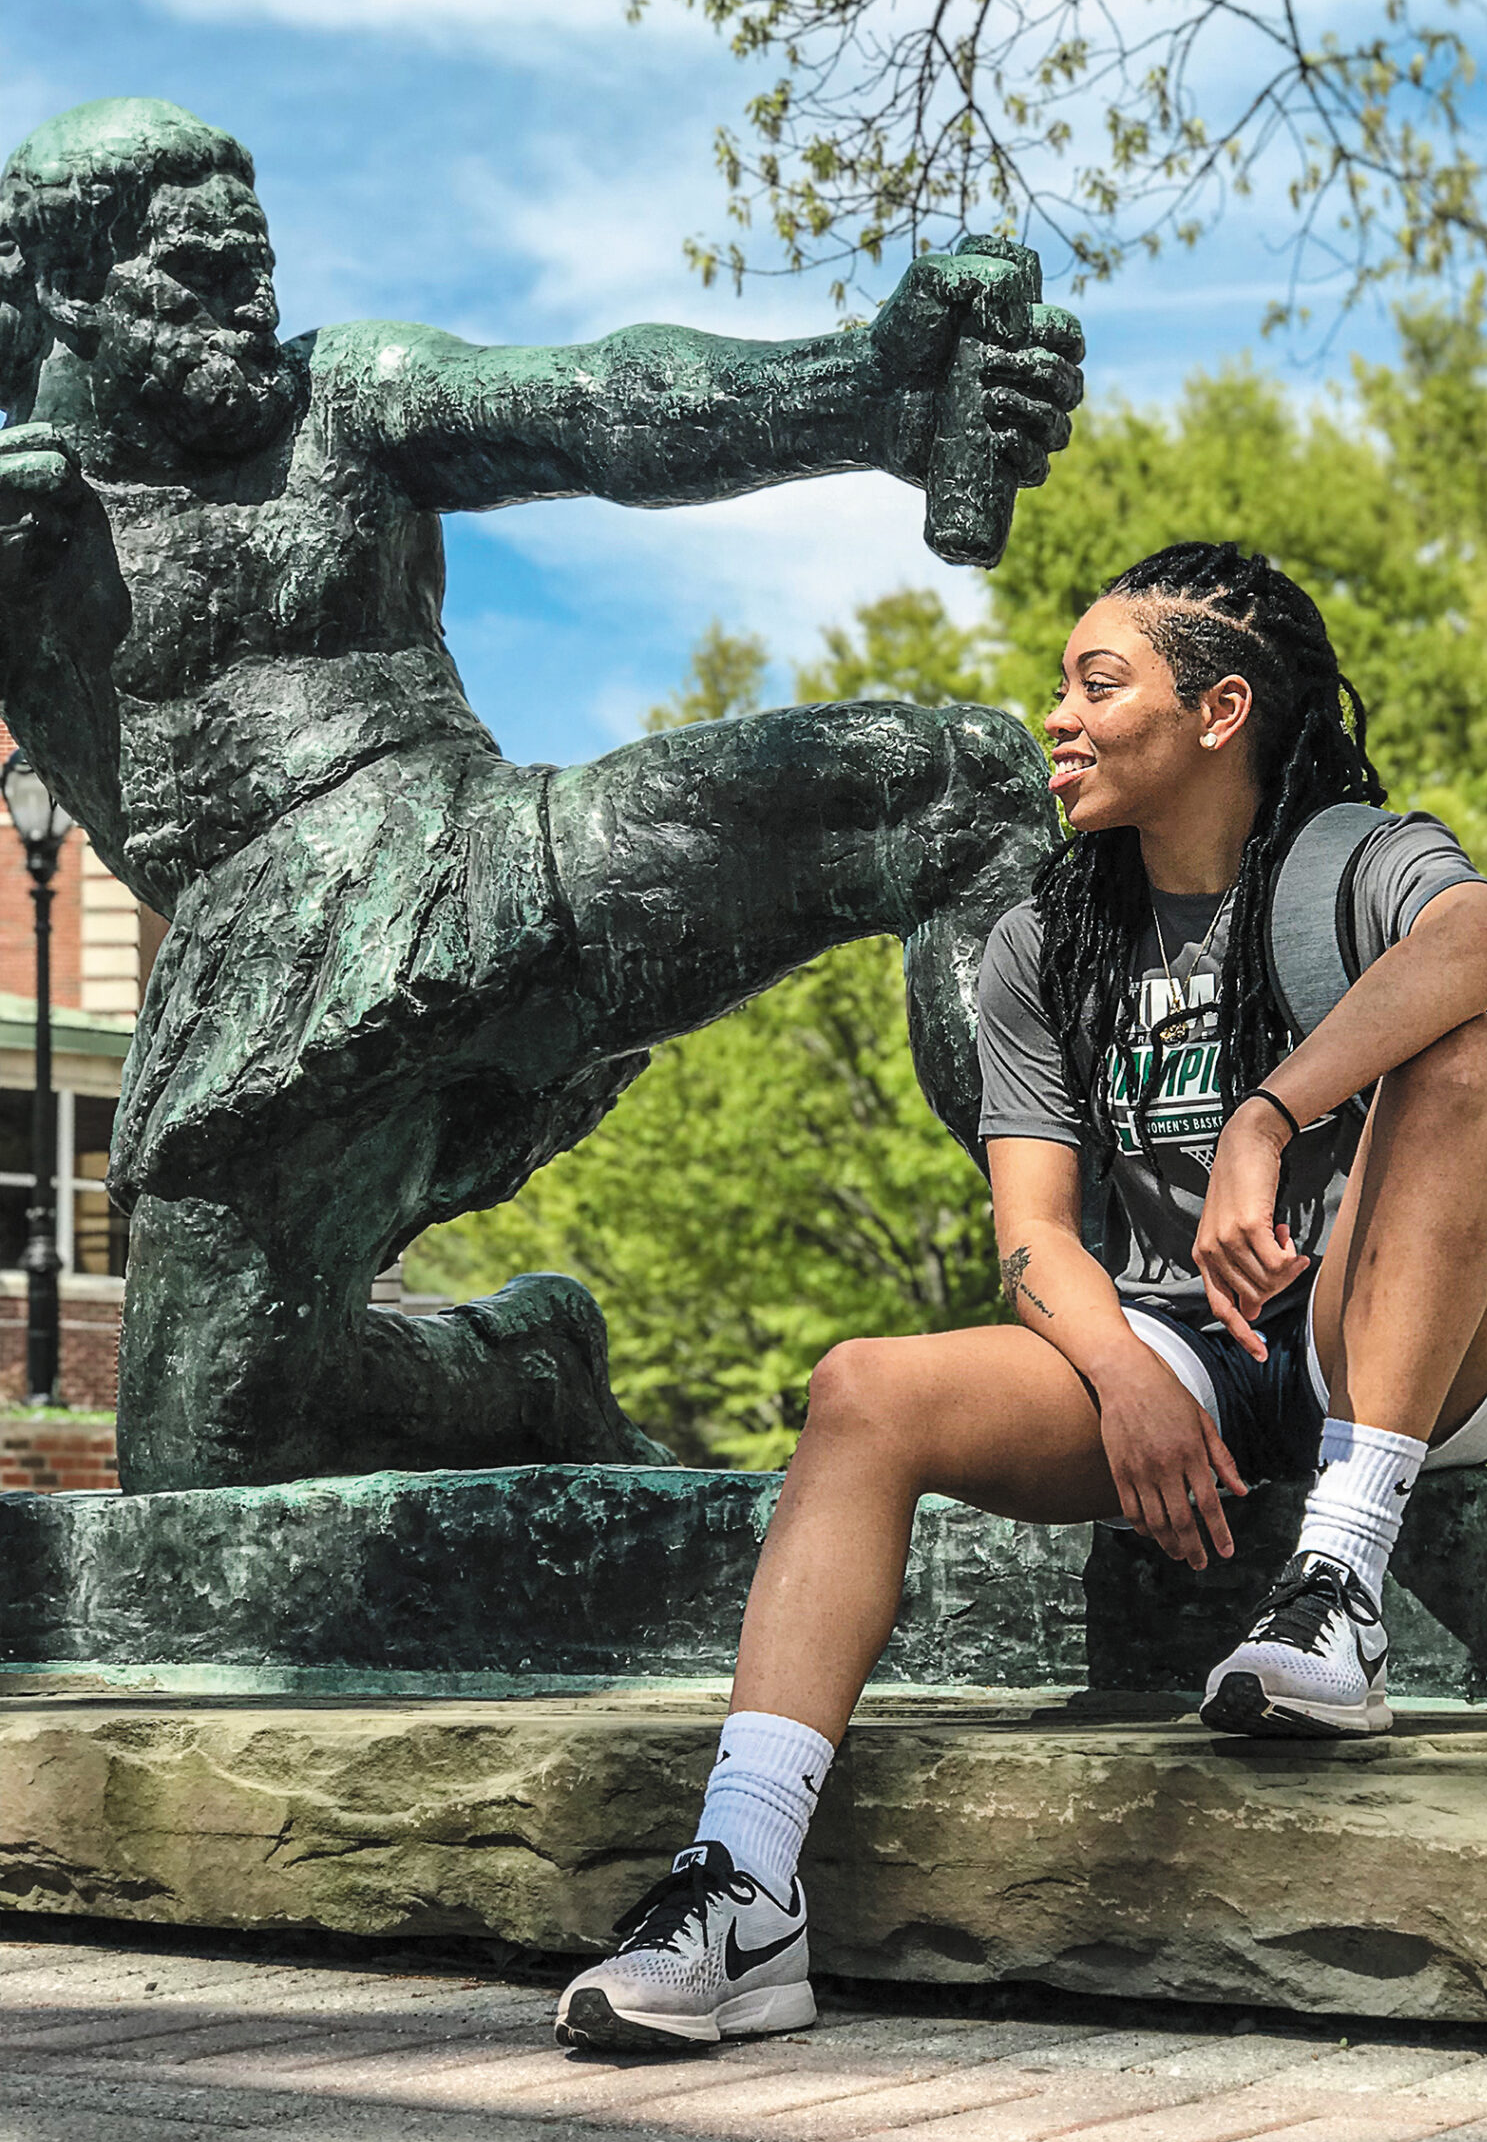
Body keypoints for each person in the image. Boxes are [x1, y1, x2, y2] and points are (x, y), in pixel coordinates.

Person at [0, 97, 1082, 1488]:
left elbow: (594, 405)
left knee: (954, 790)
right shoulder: (23, 517)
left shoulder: (349, 389)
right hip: (254, 1018)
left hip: (485, 868)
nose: (248, 312)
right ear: (70, 289)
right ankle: (521, 1372)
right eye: (196, 278)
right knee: (204, 1470)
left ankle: (1126, 1320)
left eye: (255, 272)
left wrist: (868, 393)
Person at [555, 538, 1487, 2052]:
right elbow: (1034, 1237)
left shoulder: (1360, 854)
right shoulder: (1045, 941)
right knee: (862, 1390)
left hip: (1401, 1335)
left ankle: (1336, 1591)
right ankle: (742, 1887)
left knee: (1463, 1043)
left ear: (1218, 713)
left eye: (1100, 682)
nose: (1059, 718)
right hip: (1180, 1347)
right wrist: (1129, 1376)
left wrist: (1266, 1120)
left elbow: (1485, 939)